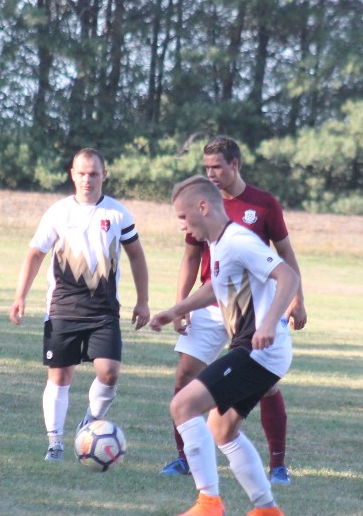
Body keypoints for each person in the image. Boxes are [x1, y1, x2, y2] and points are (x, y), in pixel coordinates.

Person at [149, 175, 300, 516]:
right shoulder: (219, 245)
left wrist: (268, 324)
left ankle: (208, 504)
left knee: (183, 406)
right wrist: (175, 310)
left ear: (203, 207)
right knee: (221, 428)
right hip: (257, 351)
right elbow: (216, 289)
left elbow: (288, 276)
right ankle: (267, 510)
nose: (182, 226)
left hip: (259, 351)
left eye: (183, 217)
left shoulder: (238, 241)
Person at [8, 148, 150, 463]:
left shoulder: (117, 213)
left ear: (104, 175)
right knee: (60, 378)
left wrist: (142, 300)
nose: (87, 179)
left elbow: (137, 255)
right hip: (62, 309)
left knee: (109, 372)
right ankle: (55, 443)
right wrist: (20, 297)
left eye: (94, 174)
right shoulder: (58, 212)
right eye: (81, 173)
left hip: (103, 312)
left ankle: (89, 424)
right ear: (73, 174)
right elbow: (35, 254)